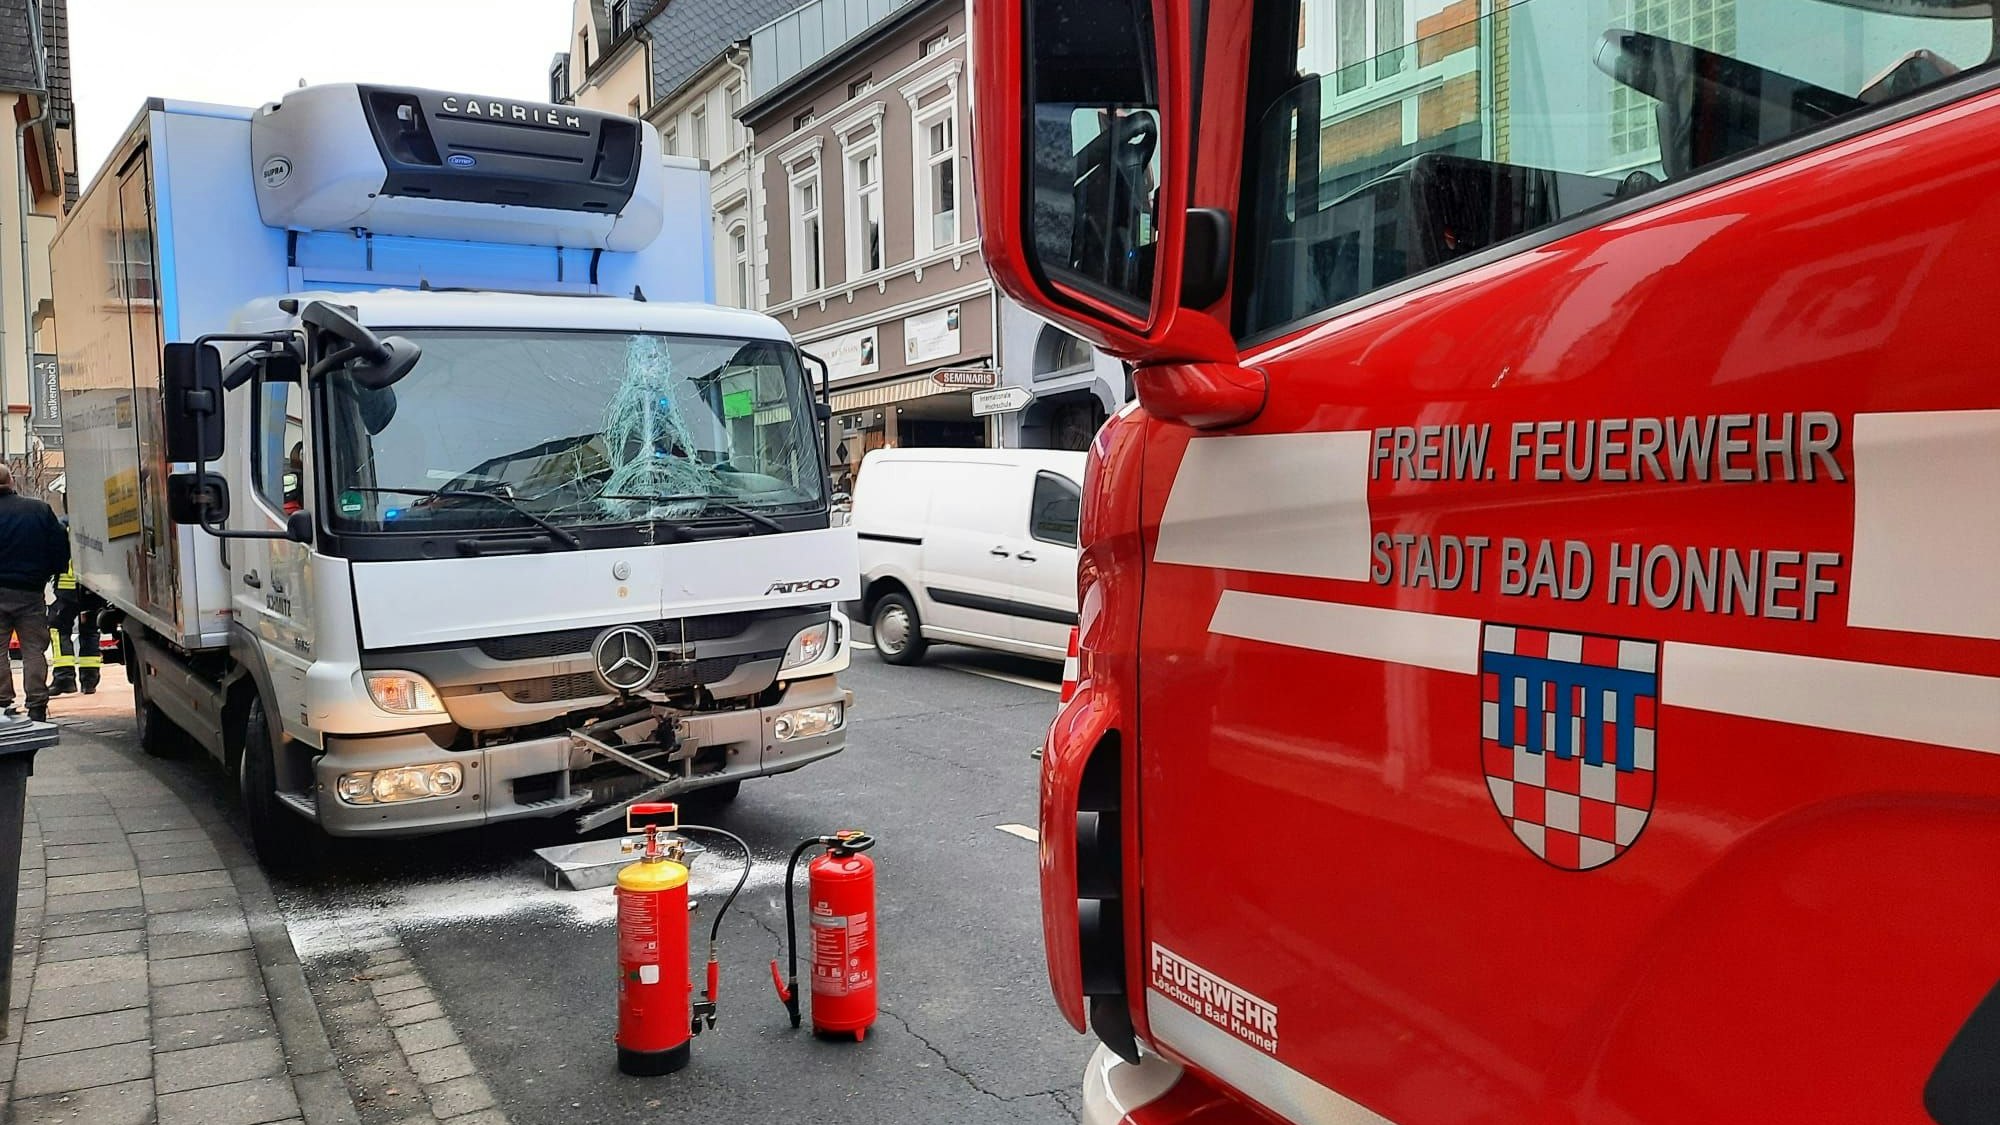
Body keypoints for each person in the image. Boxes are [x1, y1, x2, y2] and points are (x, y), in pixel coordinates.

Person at [0, 464, 69, 721]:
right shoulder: (38, 510)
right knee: (33, 649)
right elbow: (60, 544)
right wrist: (51, 571)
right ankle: (37, 703)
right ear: (12, 482)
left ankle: (2, 702)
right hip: (30, 592)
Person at [48, 541, 105, 696]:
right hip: (94, 588)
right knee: (90, 631)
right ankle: (89, 681)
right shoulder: (94, 525)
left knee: (57, 628)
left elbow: (54, 554)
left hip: (68, 590)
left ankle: (64, 678)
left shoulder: (63, 527)